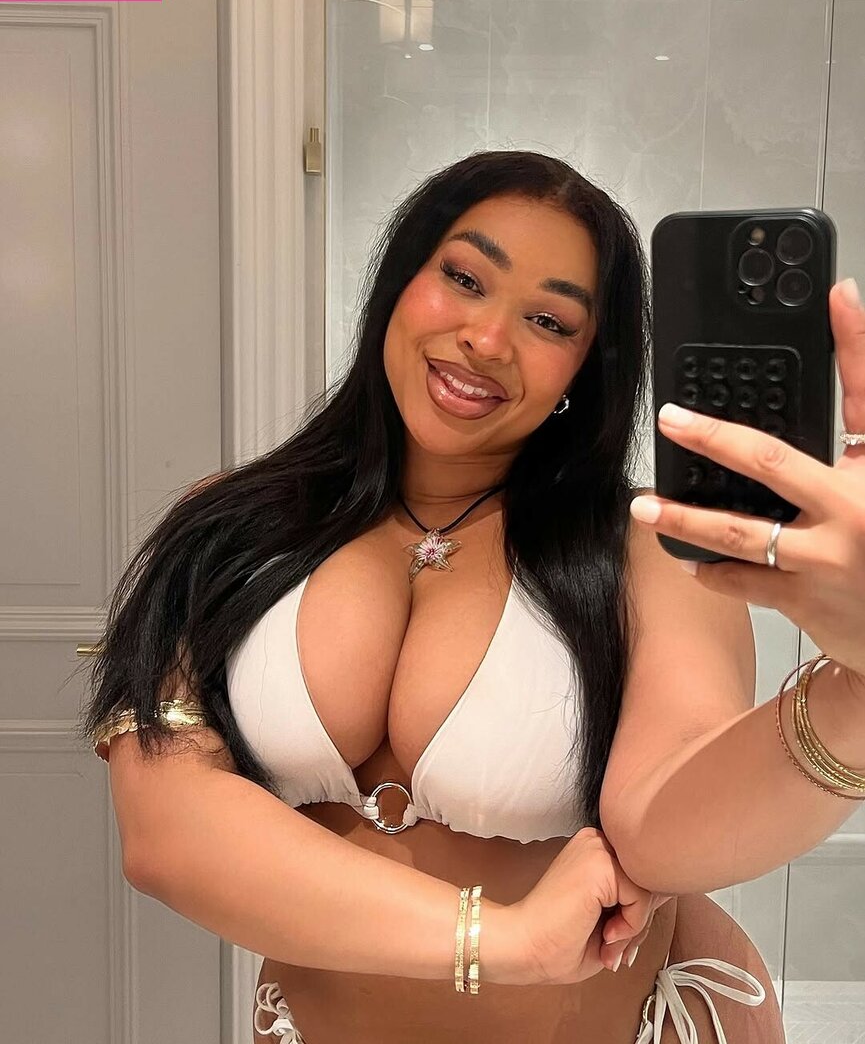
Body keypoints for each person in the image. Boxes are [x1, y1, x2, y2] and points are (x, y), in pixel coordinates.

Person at [78, 150, 865, 1043]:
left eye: (548, 320)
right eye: (463, 277)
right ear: (398, 279)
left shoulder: (642, 544)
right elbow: (166, 830)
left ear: (584, 367)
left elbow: (670, 834)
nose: (487, 340)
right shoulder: (230, 531)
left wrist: (857, 685)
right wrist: (503, 940)